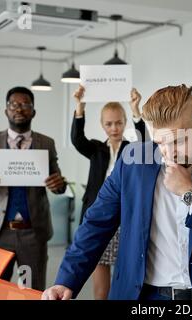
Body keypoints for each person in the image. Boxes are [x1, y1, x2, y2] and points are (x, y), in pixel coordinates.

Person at [42, 84, 192, 300]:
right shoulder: (132, 160)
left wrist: (190, 193)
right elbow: (96, 224)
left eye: (178, 141)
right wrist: (65, 280)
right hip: (142, 296)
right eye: (160, 142)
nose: (169, 153)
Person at [0, 86, 67, 291]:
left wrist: (60, 185)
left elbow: (58, 181)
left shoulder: (46, 143)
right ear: (6, 110)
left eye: (24, 105)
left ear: (33, 111)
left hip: (33, 231)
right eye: (13, 104)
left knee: (31, 288)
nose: (18, 109)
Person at [71, 85, 147, 300]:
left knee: (126, 272)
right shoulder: (96, 149)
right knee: (100, 275)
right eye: (109, 124)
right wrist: (79, 108)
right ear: (102, 125)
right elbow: (77, 139)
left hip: (125, 217)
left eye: (119, 122)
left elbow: (146, 144)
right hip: (100, 215)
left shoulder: (132, 149)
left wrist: (135, 110)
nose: (114, 128)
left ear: (125, 122)